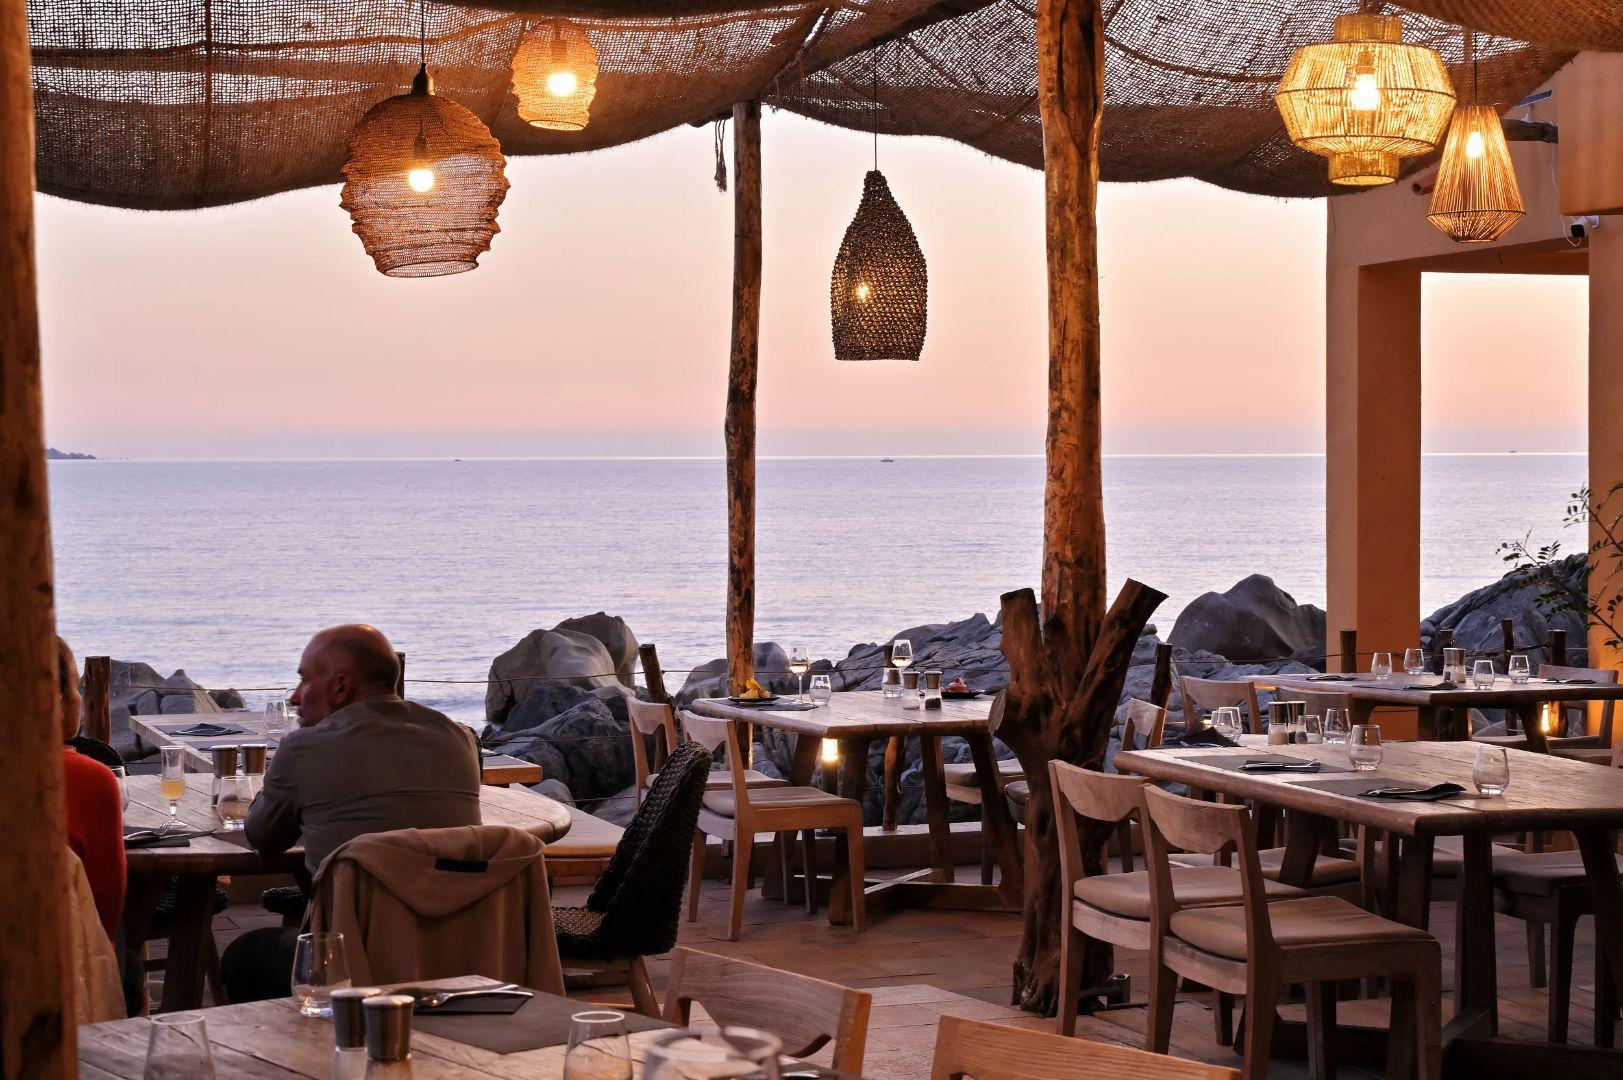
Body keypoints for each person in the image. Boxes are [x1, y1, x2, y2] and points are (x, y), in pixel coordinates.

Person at [222, 624, 482, 1001]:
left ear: (340, 686)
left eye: (303, 680)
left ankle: (299, 1051)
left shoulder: (303, 749)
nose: (294, 698)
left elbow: (263, 838)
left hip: (350, 960)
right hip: (458, 951)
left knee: (244, 956)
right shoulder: (459, 738)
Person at [58, 637, 126, 940]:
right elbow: (104, 913)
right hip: (65, 969)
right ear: (57, 699)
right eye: (76, 687)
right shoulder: (90, 781)